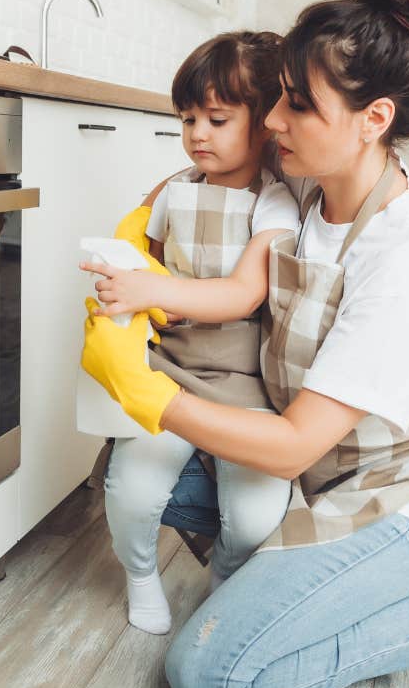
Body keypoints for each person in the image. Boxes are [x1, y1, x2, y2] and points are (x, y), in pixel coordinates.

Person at [81, 0, 409, 688]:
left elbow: (290, 447)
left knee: (207, 675)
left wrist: (143, 390)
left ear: (373, 119)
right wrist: (133, 245)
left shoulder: (407, 254)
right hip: (317, 463)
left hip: (401, 492)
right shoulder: (305, 179)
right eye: (279, 94)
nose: (272, 120)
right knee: (123, 477)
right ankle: (292, 591)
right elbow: (188, 184)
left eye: (298, 105)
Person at [80, 32, 300, 636]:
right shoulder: (175, 189)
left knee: (257, 514)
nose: (198, 132)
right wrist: (126, 279)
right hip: (169, 367)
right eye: (188, 118)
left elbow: (243, 294)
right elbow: (136, 247)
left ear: (265, 123)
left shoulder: (274, 200)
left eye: (218, 118)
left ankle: (227, 580)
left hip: (245, 378)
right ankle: (141, 574)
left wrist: (154, 290)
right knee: (131, 487)